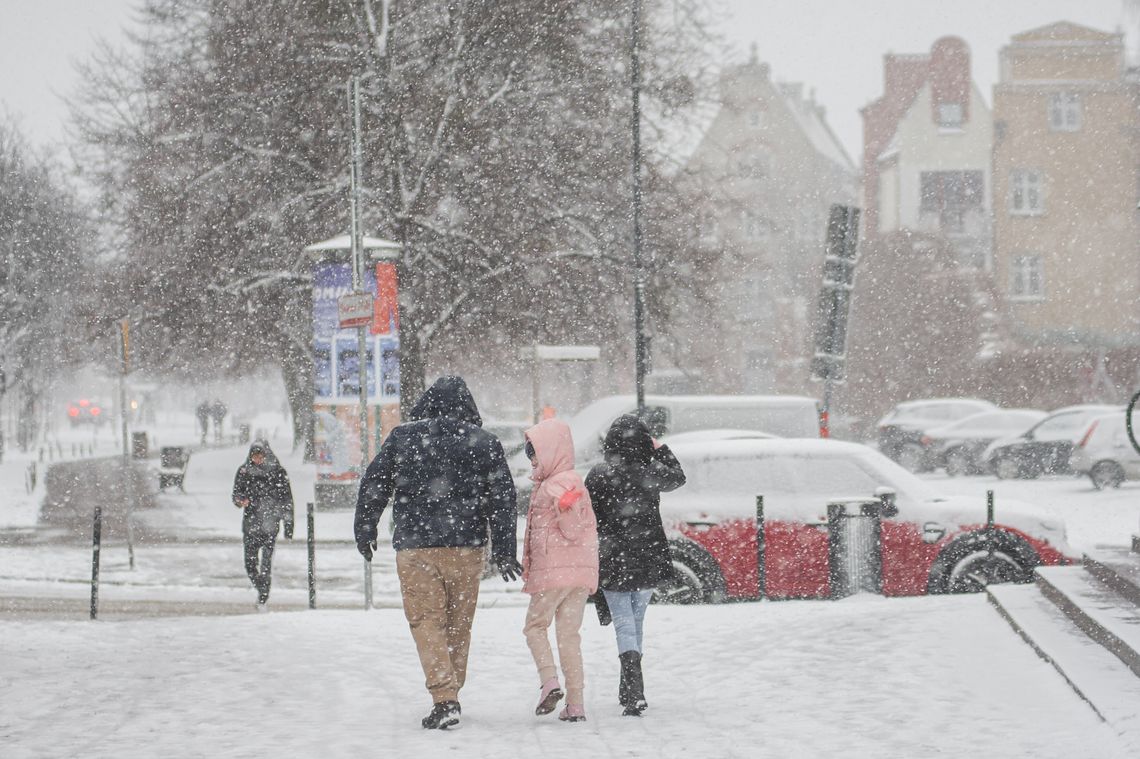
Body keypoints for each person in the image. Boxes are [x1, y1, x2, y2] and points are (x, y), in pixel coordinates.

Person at [355, 375, 521, 730]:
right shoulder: (484, 443)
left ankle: (444, 696)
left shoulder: (404, 438)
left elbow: (375, 483)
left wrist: (365, 526)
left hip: (417, 547)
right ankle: (450, 691)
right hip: (467, 548)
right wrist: (505, 550)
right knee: (459, 624)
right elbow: (504, 501)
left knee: (426, 622)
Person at [585, 414, 686, 717]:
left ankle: (633, 689)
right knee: (636, 622)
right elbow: (679, 476)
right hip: (648, 555)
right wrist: (659, 448)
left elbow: (588, 517)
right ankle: (631, 688)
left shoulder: (599, 475)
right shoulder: (651, 471)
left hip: (612, 556)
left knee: (624, 623)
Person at [520, 418, 598, 723]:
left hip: (553, 574)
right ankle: (575, 704)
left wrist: (566, 508)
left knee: (534, 627)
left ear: (552, 452)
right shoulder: (571, 480)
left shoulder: (558, 484)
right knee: (569, 636)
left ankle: (549, 681)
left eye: (535, 453)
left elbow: (572, 528)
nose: (533, 460)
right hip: (579, 575)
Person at [232, 439, 294, 609]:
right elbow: (236, 493)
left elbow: (286, 500)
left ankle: (263, 596)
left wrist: (288, 526)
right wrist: (240, 501)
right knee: (250, 564)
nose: (258, 460)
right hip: (251, 524)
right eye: (255, 456)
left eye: (260, 456)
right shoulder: (244, 471)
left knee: (266, 564)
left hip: (270, 524)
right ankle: (262, 588)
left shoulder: (277, 472)